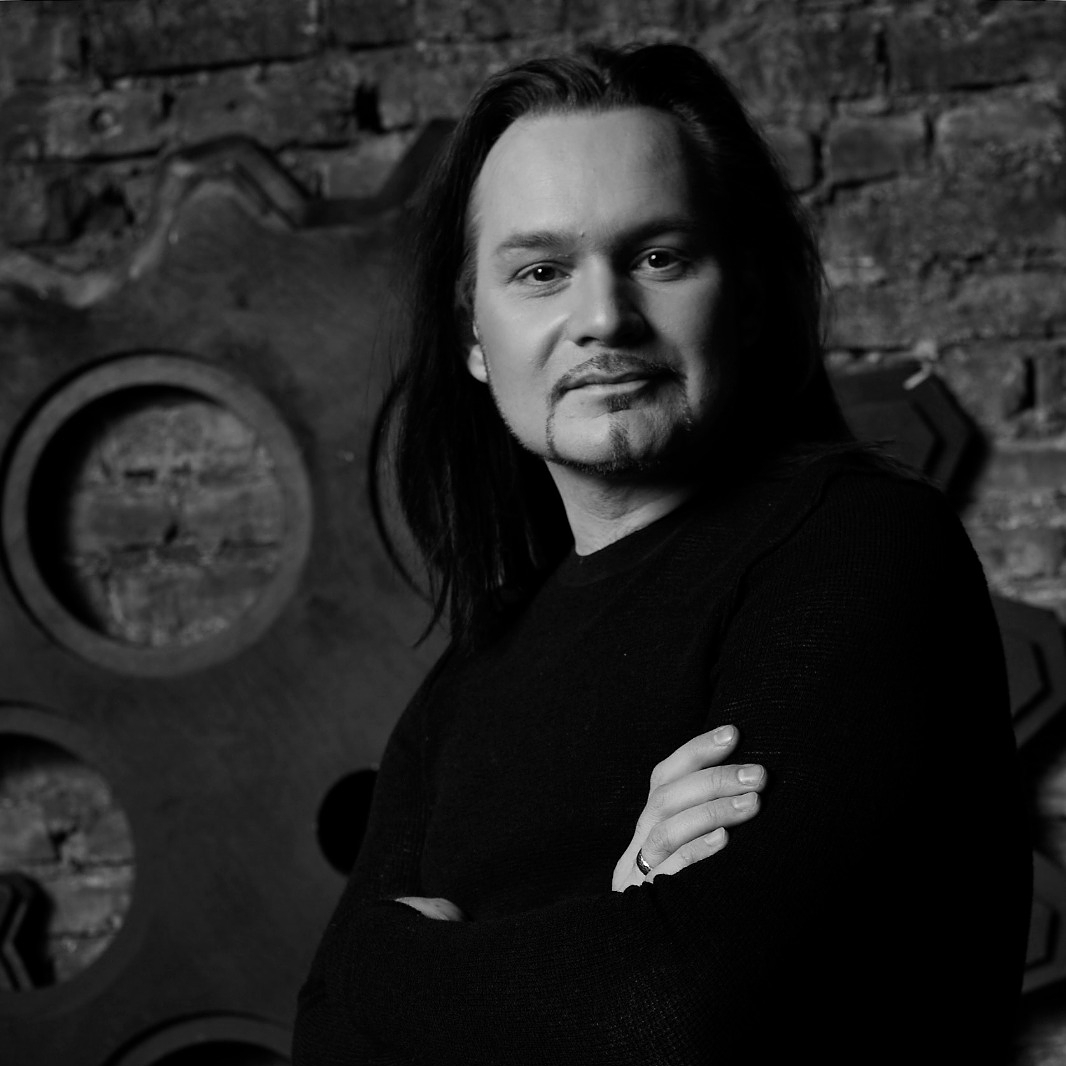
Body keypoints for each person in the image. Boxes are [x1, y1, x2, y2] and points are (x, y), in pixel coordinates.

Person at [293, 43, 1031, 1065]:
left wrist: (391, 965)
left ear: (749, 294)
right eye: (541, 272)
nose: (603, 317)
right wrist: (619, 914)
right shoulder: (471, 676)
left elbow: (682, 1013)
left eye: (659, 258)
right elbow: (324, 1038)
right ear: (473, 336)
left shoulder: (859, 550)